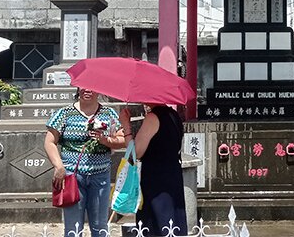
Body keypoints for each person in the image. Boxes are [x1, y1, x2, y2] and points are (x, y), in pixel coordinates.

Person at [45, 88, 126, 237]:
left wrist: (105, 140)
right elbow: (50, 141)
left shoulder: (109, 114)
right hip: (72, 177)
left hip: (100, 176)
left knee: (100, 226)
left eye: (92, 87)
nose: (87, 90)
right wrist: (58, 166)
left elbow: (122, 140)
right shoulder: (64, 113)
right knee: (73, 227)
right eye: (83, 87)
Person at [119, 104, 187, 237]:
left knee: (156, 223)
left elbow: (136, 153)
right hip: (173, 174)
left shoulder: (153, 117)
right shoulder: (173, 115)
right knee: (172, 222)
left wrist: (126, 126)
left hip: (156, 178)